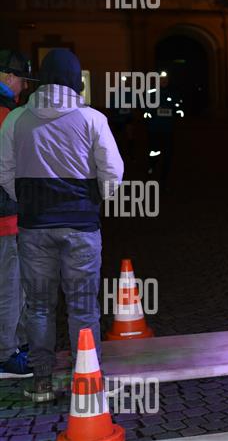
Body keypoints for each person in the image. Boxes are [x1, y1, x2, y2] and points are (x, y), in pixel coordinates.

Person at [0, 49, 123, 402]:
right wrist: (94, 199)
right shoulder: (92, 119)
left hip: (34, 227)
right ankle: (86, 381)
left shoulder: (17, 118)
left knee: (39, 307)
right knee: (83, 307)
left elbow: (4, 171)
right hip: (81, 227)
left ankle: (41, 382)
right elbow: (113, 172)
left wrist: (27, 201)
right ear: (74, 80)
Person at [0, 50, 34, 378]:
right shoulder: (6, 114)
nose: (24, 87)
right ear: (8, 77)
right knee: (9, 287)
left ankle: (17, 345)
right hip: (5, 218)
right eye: (22, 79)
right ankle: (7, 354)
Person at [144, 71, 183, 185]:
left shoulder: (173, 93)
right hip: (154, 127)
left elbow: (177, 105)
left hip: (167, 128)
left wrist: (179, 111)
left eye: (165, 79)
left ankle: (164, 178)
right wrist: (148, 112)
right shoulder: (151, 92)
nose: (163, 81)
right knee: (153, 150)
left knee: (168, 153)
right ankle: (152, 165)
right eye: (161, 79)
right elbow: (145, 105)